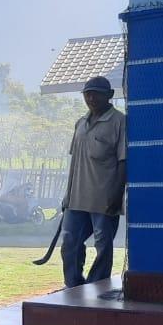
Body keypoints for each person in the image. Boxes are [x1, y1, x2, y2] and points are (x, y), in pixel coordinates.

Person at [60, 75, 126, 288]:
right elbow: (75, 162)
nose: (91, 97)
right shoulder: (80, 123)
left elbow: (124, 162)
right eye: (87, 93)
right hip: (76, 198)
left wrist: (117, 196)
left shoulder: (119, 121)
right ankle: (74, 287)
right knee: (70, 242)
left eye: (96, 93)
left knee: (103, 246)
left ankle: (98, 287)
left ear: (110, 95)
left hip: (104, 199)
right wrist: (67, 196)